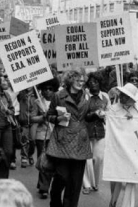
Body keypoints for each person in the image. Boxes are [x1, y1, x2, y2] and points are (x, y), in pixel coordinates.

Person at [46, 70, 92, 207]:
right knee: (62, 176)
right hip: (62, 141)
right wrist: (59, 118)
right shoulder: (58, 96)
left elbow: (87, 116)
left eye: (82, 81)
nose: (80, 83)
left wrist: (96, 115)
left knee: (75, 181)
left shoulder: (87, 96)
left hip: (80, 141)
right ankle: (55, 199)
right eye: (77, 80)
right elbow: (48, 116)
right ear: (70, 80)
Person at [109, 83, 138, 207]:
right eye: (122, 94)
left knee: (131, 178)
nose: (122, 97)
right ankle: (113, 201)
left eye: (126, 95)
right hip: (117, 147)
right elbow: (110, 124)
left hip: (132, 148)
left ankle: (128, 204)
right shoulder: (113, 108)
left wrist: (133, 121)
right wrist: (122, 121)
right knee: (116, 177)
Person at [30, 77, 60, 199]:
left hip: (55, 135)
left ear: (54, 90)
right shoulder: (37, 102)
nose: (47, 91)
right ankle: (44, 188)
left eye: (50, 89)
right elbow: (32, 118)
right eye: (45, 89)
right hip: (41, 136)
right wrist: (42, 118)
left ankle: (43, 184)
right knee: (43, 161)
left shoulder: (58, 101)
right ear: (41, 90)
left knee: (53, 162)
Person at [82, 72, 111, 194]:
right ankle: (87, 184)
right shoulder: (84, 96)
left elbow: (110, 112)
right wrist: (93, 114)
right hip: (85, 131)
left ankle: (95, 183)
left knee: (98, 158)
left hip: (100, 131)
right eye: (91, 82)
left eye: (96, 82)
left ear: (100, 83)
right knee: (87, 159)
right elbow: (81, 114)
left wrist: (104, 115)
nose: (93, 84)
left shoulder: (105, 97)